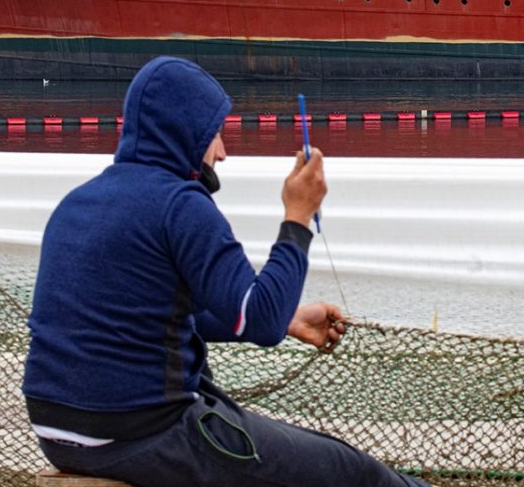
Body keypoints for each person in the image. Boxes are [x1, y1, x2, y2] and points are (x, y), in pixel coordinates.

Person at [22, 56, 428, 487]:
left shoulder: (77, 202)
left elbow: (154, 318)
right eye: (214, 133)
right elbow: (261, 321)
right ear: (186, 131)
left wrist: (289, 317)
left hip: (56, 431)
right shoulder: (180, 203)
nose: (222, 151)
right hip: (140, 433)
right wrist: (298, 216)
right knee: (351, 471)